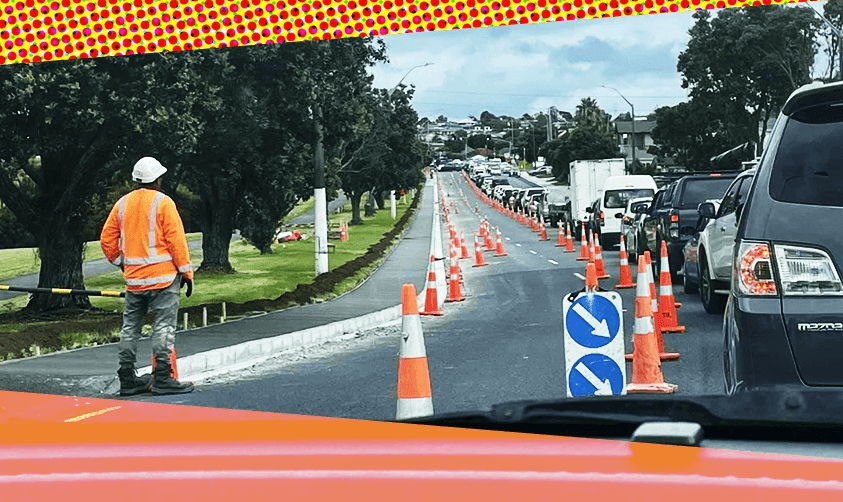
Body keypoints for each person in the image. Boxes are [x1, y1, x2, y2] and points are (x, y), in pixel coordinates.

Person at [100, 157, 195, 396]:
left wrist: (122, 262)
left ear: (135, 180)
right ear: (158, 179)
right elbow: (176, 241)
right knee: (163, 327)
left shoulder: (122, 204)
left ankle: (127, 379)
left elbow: (107, 240)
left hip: (134, 280)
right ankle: (163, 377)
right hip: (163, 279)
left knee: (130, 328)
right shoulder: (164, 203)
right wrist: (186, 272)